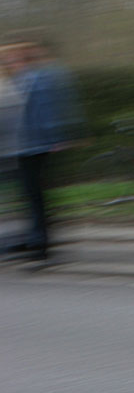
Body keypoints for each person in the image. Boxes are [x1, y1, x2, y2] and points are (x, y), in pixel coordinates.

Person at [4, 38, 82, 262]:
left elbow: (44, 112)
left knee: (34, 196)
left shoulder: (36, 79)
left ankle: (39, 245)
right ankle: (32, 240)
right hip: (24, 146)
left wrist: (54, 138)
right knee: (29, 195)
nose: (8, 62)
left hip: (33, 145)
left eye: (11, 58)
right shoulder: (22, 79)